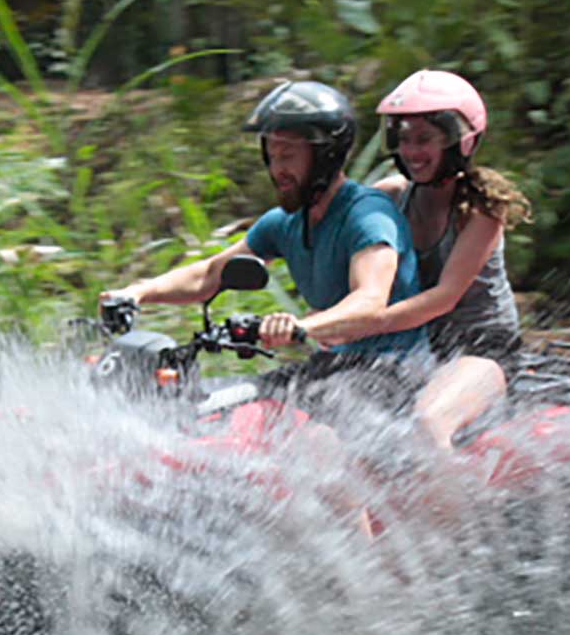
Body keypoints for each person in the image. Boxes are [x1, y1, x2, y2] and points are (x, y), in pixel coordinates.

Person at [100, 79, 425, 417]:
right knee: (216, 403)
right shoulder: (285, 222)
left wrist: (298, 327)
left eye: (287, 157)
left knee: (291, 423)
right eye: (271, 157)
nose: (276, 170)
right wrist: (138, 292)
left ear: (325, 155)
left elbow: (370, 300)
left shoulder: (367, 215)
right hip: (333, 365)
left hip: (393, 372)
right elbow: (212, 273)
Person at [306, 68, 531, 450]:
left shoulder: (479, 212)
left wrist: (359, 325)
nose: (412, 152)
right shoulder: (389, 196)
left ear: (462, 141)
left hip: (481, 351)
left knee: (428, 423)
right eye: (404, 139)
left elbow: (443, 298)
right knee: (325, 422)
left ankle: (465, 511)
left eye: (425, 139)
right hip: (415, 351)